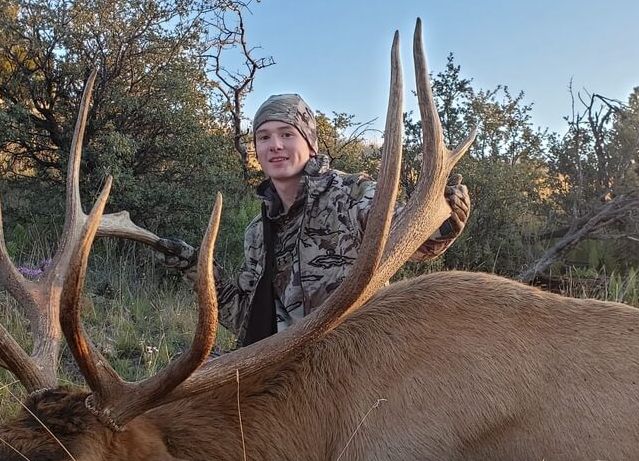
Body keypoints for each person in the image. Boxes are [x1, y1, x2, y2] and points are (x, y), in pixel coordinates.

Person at [154, 93, 471, 346]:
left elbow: (418, 243)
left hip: (364, 362)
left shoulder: (352, 195)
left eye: (286, 134)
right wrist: (196, 267)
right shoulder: (257, 233)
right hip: (293, 374)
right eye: (263, 137)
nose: (275, 145)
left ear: (310, 143)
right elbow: (247, 320)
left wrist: (448, 219)